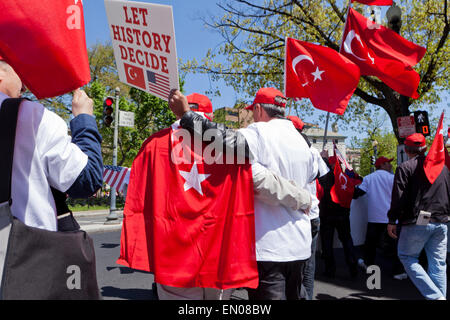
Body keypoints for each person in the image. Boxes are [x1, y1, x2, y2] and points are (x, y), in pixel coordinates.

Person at [151, 92, 313, 300]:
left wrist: (186, 116)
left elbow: (229, 145)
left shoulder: (258, 134)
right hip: (293, 244)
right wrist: (302, 198)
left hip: (179, 253)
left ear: (258, 109)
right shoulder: (303, 143)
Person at [0, 56, 103, 231]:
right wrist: (84, 118)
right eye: (19, 73)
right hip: (23, 250)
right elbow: (86, 180)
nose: (24, 87)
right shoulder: (31, 116)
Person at [387, 133, 449, 300]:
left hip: (417, 221)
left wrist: (392, 220)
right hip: (442, 221)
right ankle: (439, 296)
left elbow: (398, 198)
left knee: (407, 256)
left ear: (406, 150)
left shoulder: (405, 168)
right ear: (425, 148)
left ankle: (437, 297)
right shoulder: (443, 168)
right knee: (438, 264)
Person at [288, 115, 329, 300]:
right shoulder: (311, 150)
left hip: (294, 213)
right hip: (312, 213)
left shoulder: (285, 147)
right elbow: (326, 179)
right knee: (308, 264)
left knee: (289, 264)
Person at [353, 156, 406, 279]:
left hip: (374, 218)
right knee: (394, 246)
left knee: (370, 244)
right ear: (382, 165)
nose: (390, 165)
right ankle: (398, 272)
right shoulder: (394, 178)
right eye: (388, 163)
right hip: (391, 219)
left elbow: (357, 194)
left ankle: (369, 265)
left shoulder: (369, 178)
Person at [318, 152, 358, 279]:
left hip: (327, 214)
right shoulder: (346, 177)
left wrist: (322, 158)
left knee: (327, 242)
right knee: (346, 240)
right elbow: (355, 193)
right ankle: (353, 267)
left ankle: (330, 270)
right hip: (343, 214)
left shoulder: (324, 177)